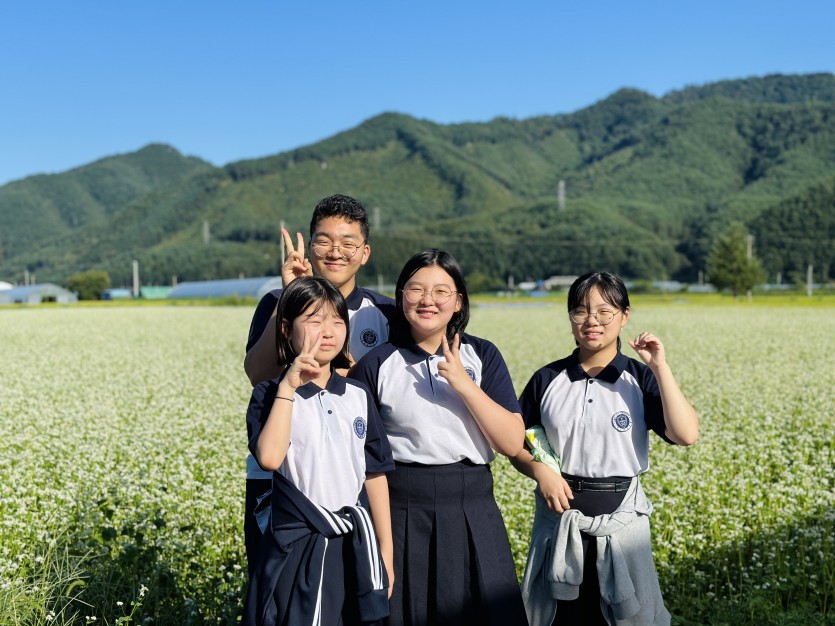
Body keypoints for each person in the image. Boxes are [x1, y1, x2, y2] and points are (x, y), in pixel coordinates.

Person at [350, 249, 529, 626]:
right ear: (401, 297)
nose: (427, 300)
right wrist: (383, 548)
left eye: (440, 291)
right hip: (401, 509)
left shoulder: (483, 355)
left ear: (458, 301)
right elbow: (369, 465)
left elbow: (512, 442)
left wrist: (465, 386)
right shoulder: (377, 364)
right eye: (415, 289)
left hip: (472, 504)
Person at [511, 271, 698, 626]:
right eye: (580, 312)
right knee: (558, 617)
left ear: (624, 316)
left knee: (628, 616)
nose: (591, 321)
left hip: (622, 525)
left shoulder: (639, 379)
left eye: (604, 312)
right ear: (570, 318)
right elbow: (514, 443)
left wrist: (659, 367)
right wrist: (539, 472)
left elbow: (686, 434)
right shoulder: (547, 379)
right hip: (559, 524)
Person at [244, 194, 396, 575]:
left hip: (353, 471)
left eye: (348, 243)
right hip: (282, 477)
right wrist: (291, 296)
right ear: (310, 247)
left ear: (365, 253)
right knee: (276, 590)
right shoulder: (276, 303)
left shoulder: (386, 313)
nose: (335, 252)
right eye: (324, 241)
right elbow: (258, 374)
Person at [242, 276, 394, 626]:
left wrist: (385, 550)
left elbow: (374, 474)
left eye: (337, 321)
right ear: (286, 328)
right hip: (294, 547)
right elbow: (269, 457)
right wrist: (290, 384)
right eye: (314, 320)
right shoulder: (269, 394)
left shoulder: (358, 395)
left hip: (352, 543)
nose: (327, 331)